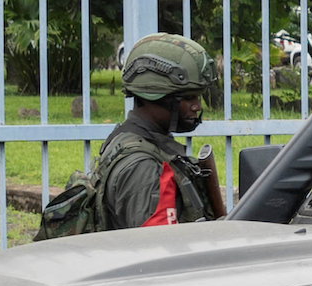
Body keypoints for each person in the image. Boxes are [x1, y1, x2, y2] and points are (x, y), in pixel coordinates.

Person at [96, 33, 226, 230]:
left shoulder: (144, 141)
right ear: (157, 96)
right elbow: (158, 250)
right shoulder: (143, 168)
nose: (197, 107)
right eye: (188, 98)